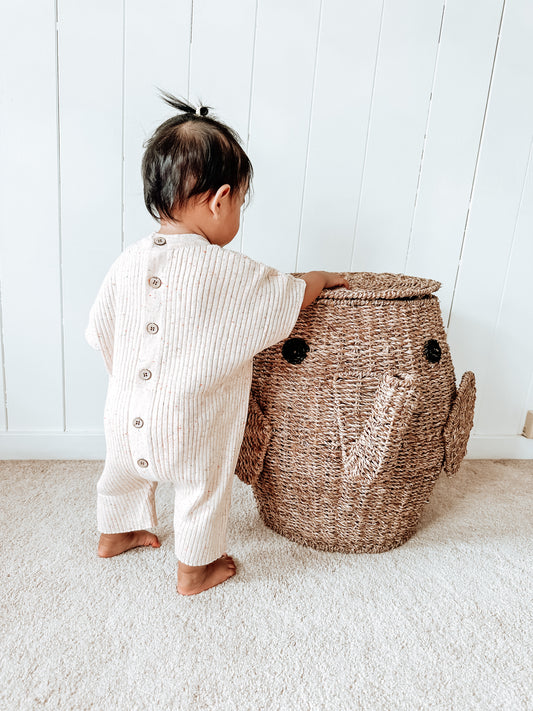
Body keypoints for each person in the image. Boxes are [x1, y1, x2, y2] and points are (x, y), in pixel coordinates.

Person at [85, 90, 349, 596]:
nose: (237, 214)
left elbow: (101, 328)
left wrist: (129, 381)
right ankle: (197, 567)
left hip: (124, 415)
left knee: (120, 472)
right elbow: (286, 299)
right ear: (220, 198)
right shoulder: (226, 271)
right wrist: (319, 277)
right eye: (240, 204)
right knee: (203, 488)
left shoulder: (128, 261)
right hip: (192, 423)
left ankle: (115, 532)